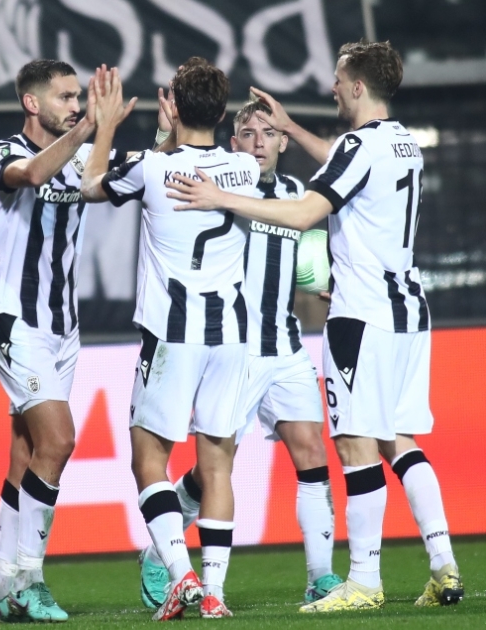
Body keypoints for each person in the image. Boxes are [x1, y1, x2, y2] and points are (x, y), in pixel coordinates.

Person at [166, 40, 464, 613]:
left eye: (338, 79)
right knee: (399, 440)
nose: (332, 88)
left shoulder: (355, 146)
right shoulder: (402, 142)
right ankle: (442, 563)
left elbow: (308, 212)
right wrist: (292, 128)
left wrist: (218, 197)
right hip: (408, 308)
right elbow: (351, 167)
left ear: (357, 86)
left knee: (354, 444)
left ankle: (363, 582)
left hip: (362, 313)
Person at [135, 98, 343, 613]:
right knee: (213, 468)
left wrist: (332, 281)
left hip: (285, 345)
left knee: (311, 452)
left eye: (268, 133)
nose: (258, 142)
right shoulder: (219, 189)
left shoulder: (297, 196)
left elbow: (311, 263)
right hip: (233, 346)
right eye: (247, 133)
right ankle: (163, 550)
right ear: (233, 144)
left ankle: (320, 576)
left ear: (283, 141)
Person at [81, 58, 257, 620]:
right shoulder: (244, 169)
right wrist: (173, 134)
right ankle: (216, 593)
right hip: (231, 335)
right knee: (217, 466)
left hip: (173, 334)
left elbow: (91, 185)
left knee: (148, 458)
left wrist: (107, 126)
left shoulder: (152, 168)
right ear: (223, 114)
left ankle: (181, 577)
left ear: (174, 106)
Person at [0, 60, 126, 623]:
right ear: (32, 103)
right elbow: (34, 174)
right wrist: (90, 126)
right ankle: (30, 579)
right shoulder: (2, 153)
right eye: (65, 97)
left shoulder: (80, 158)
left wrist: (154, 134)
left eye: (78, 97)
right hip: (14, 321)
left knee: (27, 452)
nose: (75, 104)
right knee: (60, 440)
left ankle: (0, 590)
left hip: (64, 328)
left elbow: (108, 180)